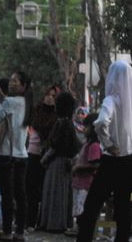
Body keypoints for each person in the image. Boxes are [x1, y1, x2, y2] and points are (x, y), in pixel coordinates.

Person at [77, 60, 132, 242]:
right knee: (123, 206)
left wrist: (107, 143)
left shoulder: (111, 100)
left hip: (111, 160)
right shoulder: (130, 104)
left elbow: (100, 123)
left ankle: (84, 239)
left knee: (92, 204)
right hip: (128, 160)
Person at [0, 71, 32, 241]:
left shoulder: (10, 101)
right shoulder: (26, 102)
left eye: (15, 81)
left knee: (7, 195)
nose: (11, 83)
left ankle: (6, 231)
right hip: (22, 154)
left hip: (7, 155)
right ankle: (20, 231)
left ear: (23, 85)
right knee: (21, 195)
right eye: (11, 80)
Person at [38, 92, 80, 232]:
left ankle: (53, 224)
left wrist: (45, 159)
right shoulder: (69, 124)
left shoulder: (62, 123)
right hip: (64, 163)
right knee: (61, 194)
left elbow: (56, 145)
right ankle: (60, 223)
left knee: (54, 193)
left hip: (56, 162)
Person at [24, 84, 59, 230]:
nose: (50, 98)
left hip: (47, 157)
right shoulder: (36, 111)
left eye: (53, 96)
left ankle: (41, 222)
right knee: (30, 189)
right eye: (48, 94)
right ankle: (30, 221)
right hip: (32, 153)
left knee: (43, 191)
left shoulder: (58, 116)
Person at [64, 113, 99, 237]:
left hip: (85, 183)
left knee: (82, 207)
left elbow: (95, 165)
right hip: (78, 182)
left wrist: (79, 167)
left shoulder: (94, 146)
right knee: (77, 206)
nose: (84, 129)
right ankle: (78, 227)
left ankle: (81, 228)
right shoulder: (87, 144)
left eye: (87, 127)